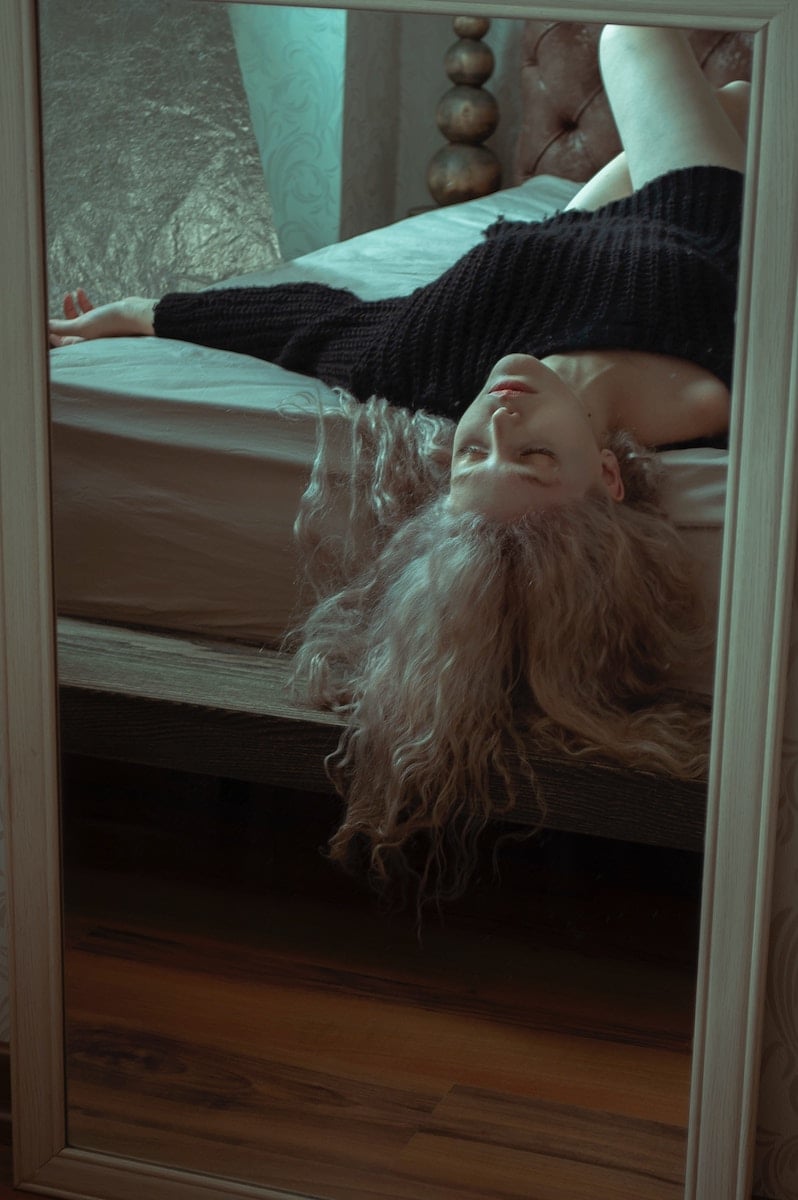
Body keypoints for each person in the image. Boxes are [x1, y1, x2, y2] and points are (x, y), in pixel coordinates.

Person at [50, 27, 749, 904]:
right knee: (678, 61)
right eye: (532, 454)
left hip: (563, 234)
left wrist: (142, 312)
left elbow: (315, 324)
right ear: (610, 477)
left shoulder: (436, 368)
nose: (499, 414)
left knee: (673, 62)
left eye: (470, 450)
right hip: (706, 219)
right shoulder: (722, 383)